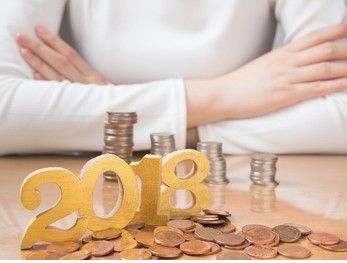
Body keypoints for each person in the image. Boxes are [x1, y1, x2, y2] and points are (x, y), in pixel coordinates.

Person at [0, 0, 346, 155]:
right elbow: (5, 111)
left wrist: (121, 121)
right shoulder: (229, 96)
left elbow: (340, 113)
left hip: (235, 195)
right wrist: (224, 96)